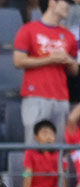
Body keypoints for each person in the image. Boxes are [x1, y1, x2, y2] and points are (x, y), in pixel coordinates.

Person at [14, 0, 79, 144]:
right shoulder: (29, 29)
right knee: (34, 145)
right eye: (65, 2)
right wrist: (49, 59)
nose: (68, 6)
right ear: (52, 3)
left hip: (61, 97)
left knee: (59, 147)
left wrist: (68, 60)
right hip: (36, 95)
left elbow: (74, 70)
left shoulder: (68, 36)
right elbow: (18, 61)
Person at [24, 119, 62, 187]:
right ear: (36, 137)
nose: (48, 137)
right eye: (45, 133)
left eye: (51, 134)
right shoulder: (30, 152)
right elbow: (27, 174)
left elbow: (63, 177)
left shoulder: (59, 154)